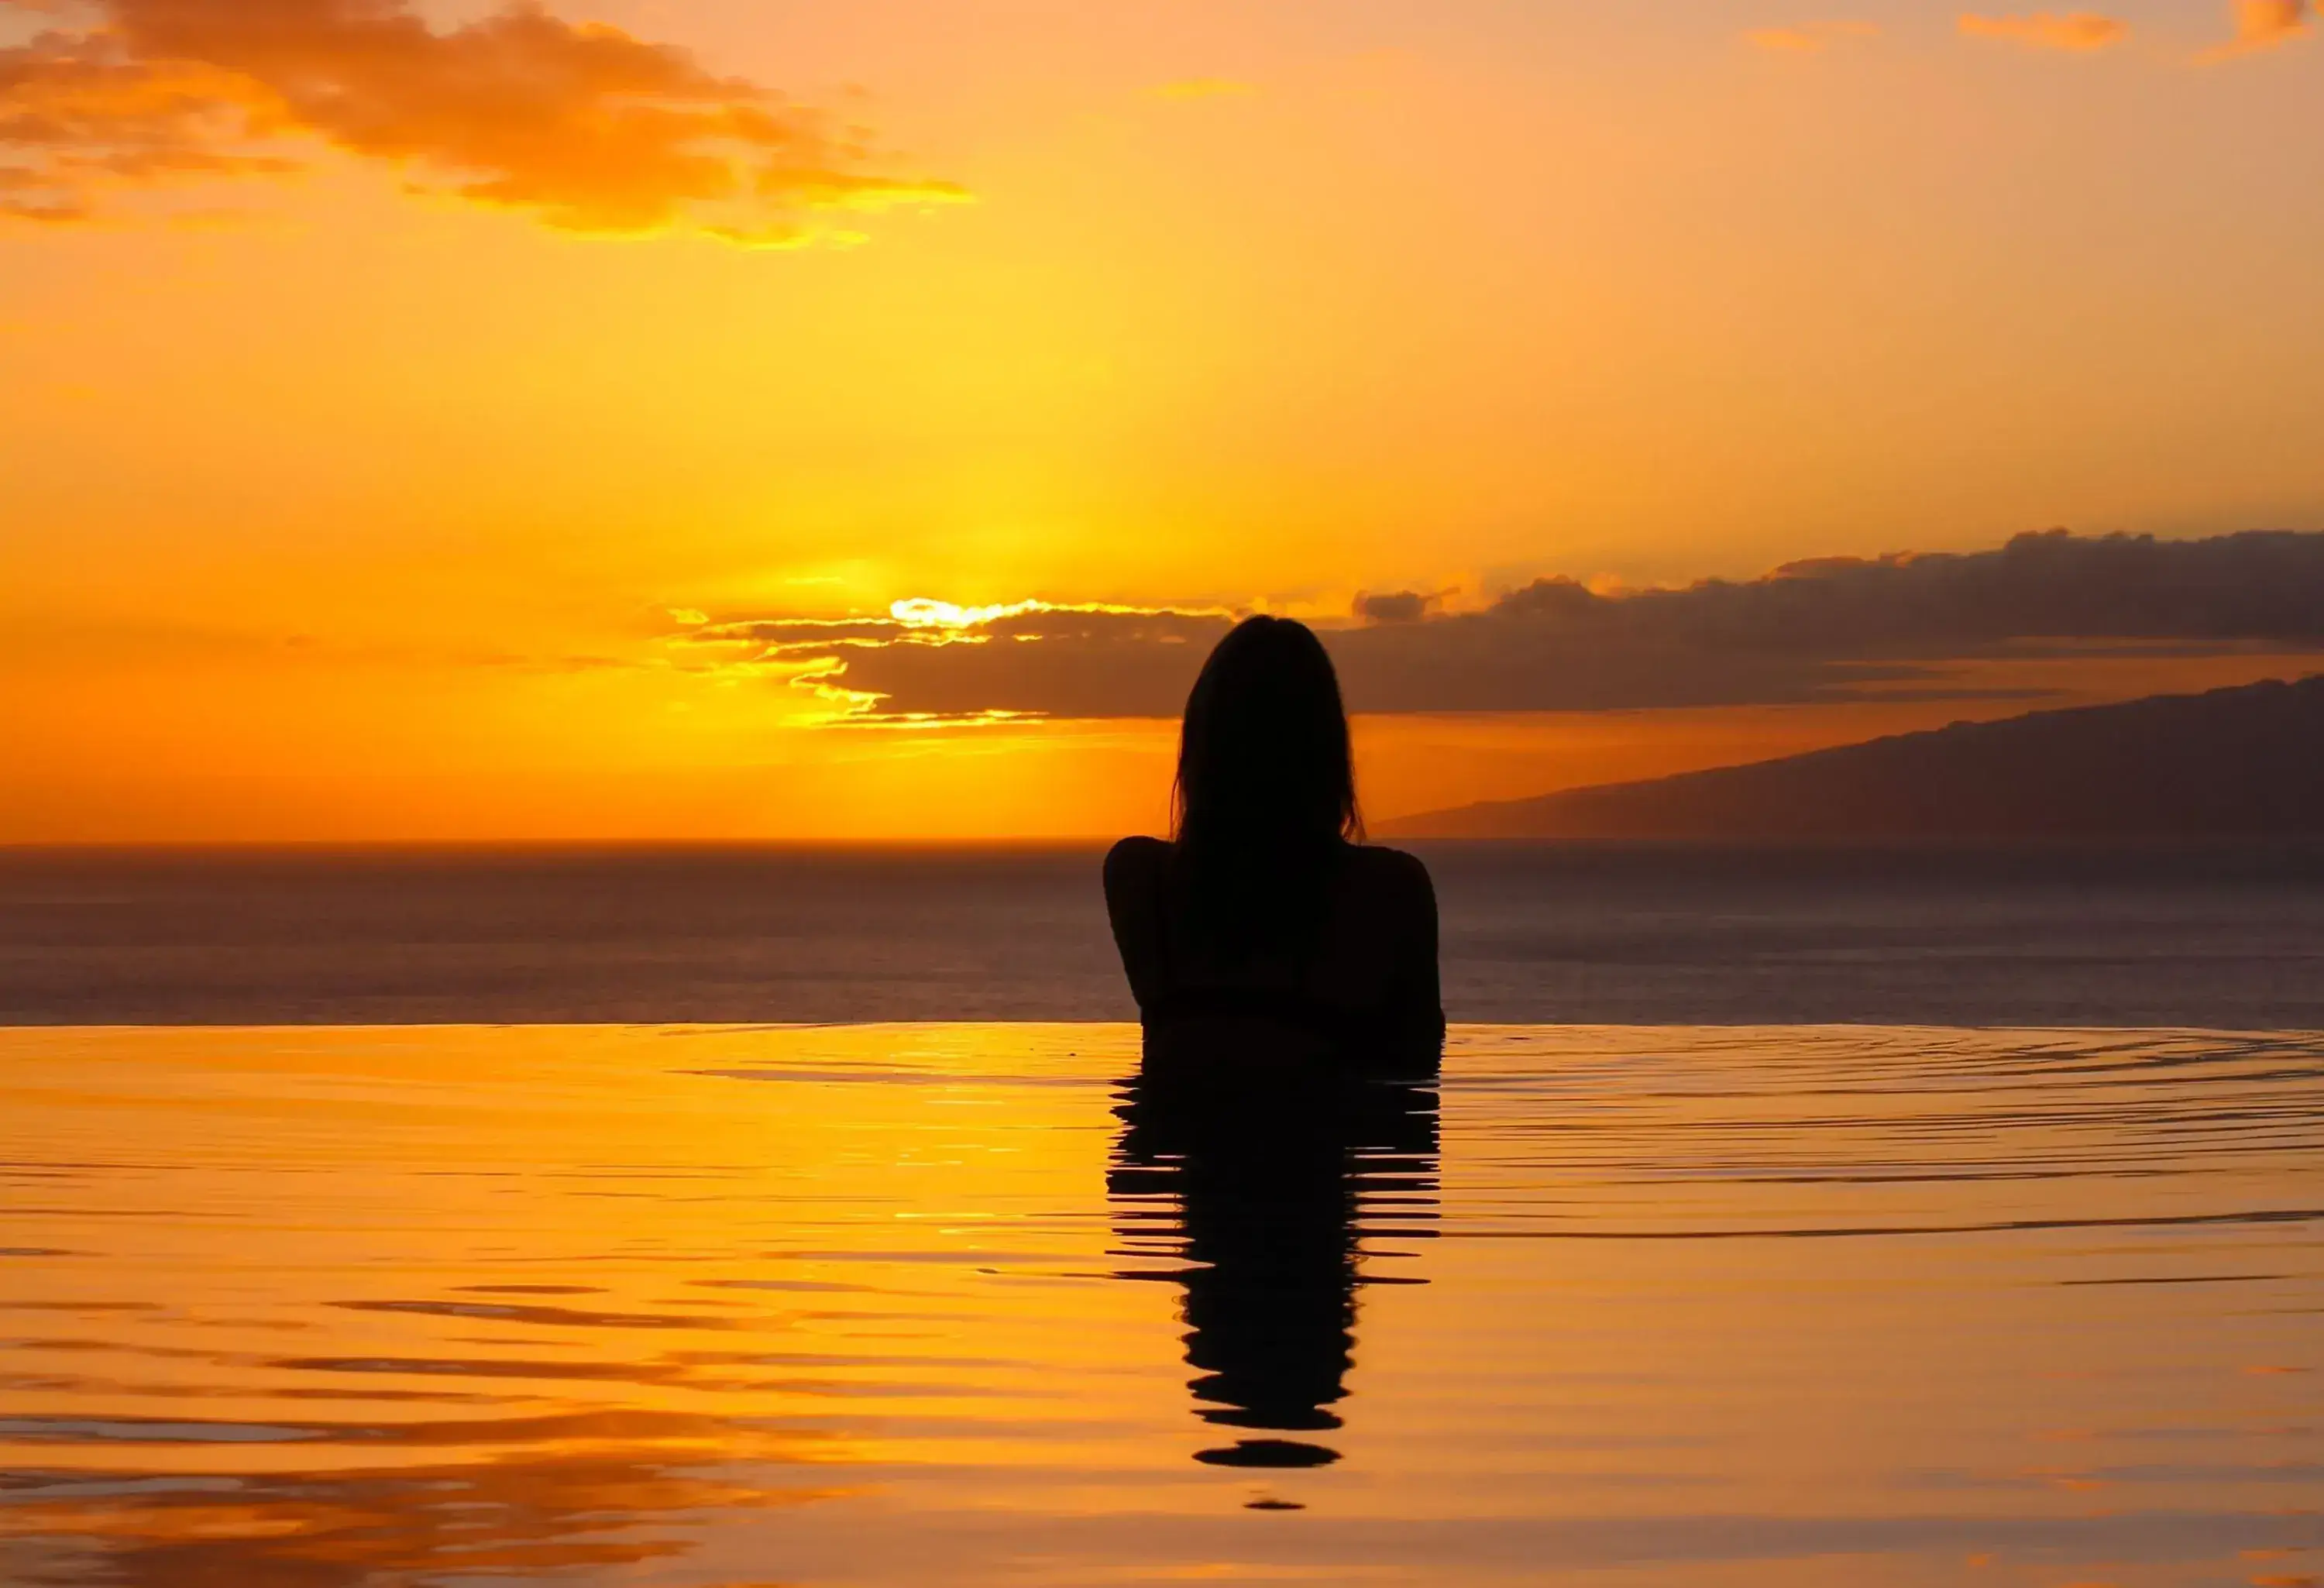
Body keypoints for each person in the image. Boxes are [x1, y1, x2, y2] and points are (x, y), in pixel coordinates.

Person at [1102, 615, 1445, 1076]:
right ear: (1326, 749)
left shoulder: (1141, 881)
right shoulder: (1391, 892)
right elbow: (1417, 1065)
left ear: (1201, 746)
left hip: (1186, 1142)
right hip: (1324, 1136)